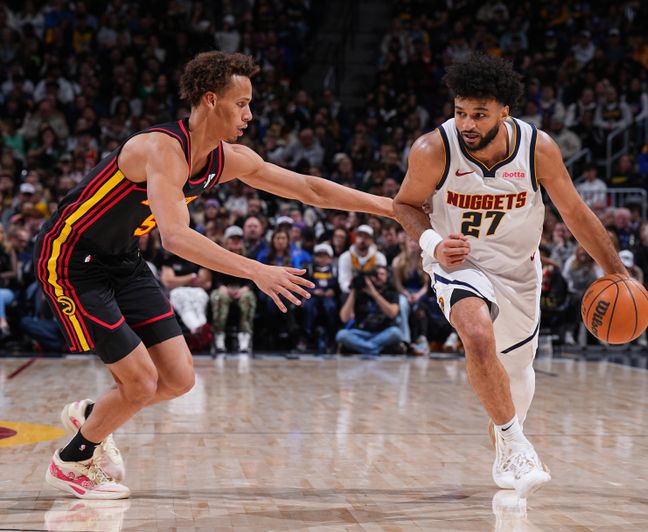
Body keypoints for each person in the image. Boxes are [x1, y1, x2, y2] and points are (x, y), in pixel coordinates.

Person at [36, 51, 394, 499]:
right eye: (241, 103)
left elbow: (309, 188)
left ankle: (96, 414)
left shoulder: (226, 159)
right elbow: (176, 238)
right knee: (142, 382)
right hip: (72, 261)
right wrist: (256, 271)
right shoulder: (161, 148)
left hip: (122, 259)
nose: (250, 114)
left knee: (179, 379)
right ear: (210, 100)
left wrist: (389, 207)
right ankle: (72, 460)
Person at [393, 54, 628, 499]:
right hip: (457, 262)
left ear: (505, 111)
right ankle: (515, 443)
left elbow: (575, 212)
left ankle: (505, 435)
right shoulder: (433, 149)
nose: (467, 123)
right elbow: (403, 205)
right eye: (461, 111)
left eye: (479, 114)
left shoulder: (538, 149)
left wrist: (618, 272)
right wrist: (432, 245)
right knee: (477, 334)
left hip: (520, 272)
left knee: (516, 374)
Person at [335, 265, 402, 358]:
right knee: (341, 335)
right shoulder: (360, 293)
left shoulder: (391, 293)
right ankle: (373, 349)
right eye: (376, 274)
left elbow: (392, 314)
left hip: (382, 333)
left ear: (387, 276)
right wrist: (354, 290)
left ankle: (365, 348)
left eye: (382, 274)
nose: (378, 277)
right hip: (361, 333)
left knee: (396, 333)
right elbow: (344, 318)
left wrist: (373, 293)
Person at [209, 225, 257, 355]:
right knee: (220, 297)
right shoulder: (219, 256)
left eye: (238, 239)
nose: (235, 241)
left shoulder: (249, 257)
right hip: (223, 289)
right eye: (232, 238)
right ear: (226, 240)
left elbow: (253, 279)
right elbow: (215, 278)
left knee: (247, 298)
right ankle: (219, 337)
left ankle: (244, 339)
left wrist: (244, 289)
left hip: (243, 289)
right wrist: (222, 288)